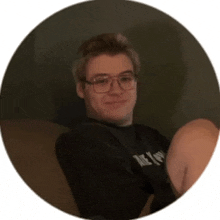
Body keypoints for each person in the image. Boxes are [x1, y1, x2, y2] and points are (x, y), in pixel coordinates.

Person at [55, 33, 176, 220]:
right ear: (81, 89)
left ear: (135, 84)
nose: (116, 90)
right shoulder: (83, 141)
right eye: (102, 81)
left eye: (125, 79)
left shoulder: (151, 136)